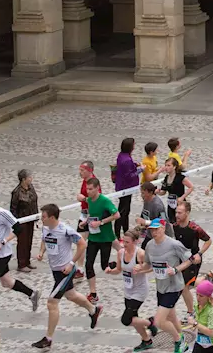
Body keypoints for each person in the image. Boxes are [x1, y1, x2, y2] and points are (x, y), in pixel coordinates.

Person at [33, 203, 100, 348]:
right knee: (71, 295)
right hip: (55, 271)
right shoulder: (46, 228)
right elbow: (45, 240)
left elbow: (82, 244)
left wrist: (71, 263)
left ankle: (48, 339)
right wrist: (41, 252)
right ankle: (94, 310)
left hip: (66, 272)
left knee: (52, 302)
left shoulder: (66, 231)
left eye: (43, 217)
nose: (41, 219)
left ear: (52, 217)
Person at [0, 191, 40, 310]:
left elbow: (18, 229)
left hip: (2, 255)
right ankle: (32, 294)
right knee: (6, 282)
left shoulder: (3, 214)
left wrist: (2, 242)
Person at [145, 217, 194, 353]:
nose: (154, 233)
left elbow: (189, 259)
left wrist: (176, 269)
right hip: (161, 286)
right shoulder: (149, 245)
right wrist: (138, 269)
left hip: (174, 286)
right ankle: (182, 336)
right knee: (171, 316)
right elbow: (148, 264)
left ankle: (179, 341)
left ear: (162, 228)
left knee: (159, 321)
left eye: (156, 229)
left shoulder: (174, 244)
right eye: (151, 230)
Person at [106, 226, 156, 351]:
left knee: (126, 319)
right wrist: (110, 271)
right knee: (134, 318)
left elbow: (152, 267)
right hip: (128, 290)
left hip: (140, 290)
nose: (124, 244)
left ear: (135, 242)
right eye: (123, 241)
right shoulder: (121, 253)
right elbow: (118, 269)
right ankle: (146, 340)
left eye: (127, 242)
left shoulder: (140, 254)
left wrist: (142, 269)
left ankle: (151, 323)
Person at [171, 200, 213, 316]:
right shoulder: (174, 227)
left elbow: (208, 241)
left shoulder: (195, 228)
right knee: (187, 285)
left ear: (187, 213)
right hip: (181, 260)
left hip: (193, 261)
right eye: (176, 212)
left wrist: (199, 254)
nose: (177, 215)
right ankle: (206, 279)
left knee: (183, 286)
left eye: (180, 213)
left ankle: (191, 312)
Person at [82, 175, 119, 303]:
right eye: (87, 189)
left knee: (105, 266)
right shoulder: (89, 200)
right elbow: (93, 215)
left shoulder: (104, 201)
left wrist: (101, 223)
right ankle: (93, 293)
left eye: (91, 189)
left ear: (97, 188)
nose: (88, 191)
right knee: (88, 264)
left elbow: (117, 215)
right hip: (93, 237)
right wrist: (85, 222)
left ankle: (120, 265)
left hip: (105, 238)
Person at [10, 169, 39, 271]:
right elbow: (13, 208)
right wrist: (16, 222)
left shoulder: (31, 187)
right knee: (22, 242)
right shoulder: (17, 192)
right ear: (23, 179)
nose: (31, 179)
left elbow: (34, 201)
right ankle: (21, 264)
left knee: (29, 241)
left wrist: (36, 215)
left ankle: (27, 261)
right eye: (29, 177)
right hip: (22, 220)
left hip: (31, 218)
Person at [113, 137, 140, 238]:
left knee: (124, 209)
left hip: (121, 186)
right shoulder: (127, 159)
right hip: (126, 188)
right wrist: (140, 170)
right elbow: (129, 176)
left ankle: (125, 230)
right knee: (123, 210)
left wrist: (134, 165)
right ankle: (119, 232)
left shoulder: (122, 156)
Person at [160, 155, 194, 223]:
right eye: (166, 165)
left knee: (180, 223)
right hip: (170, 205)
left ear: (174, 167)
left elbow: (191, 187)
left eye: (169, 165)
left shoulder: (180, 177)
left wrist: (182, 197)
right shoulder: (166, 177)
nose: (166, 167)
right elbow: (163, 192)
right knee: (171, 222)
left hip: (180, 204)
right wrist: (157, 191)